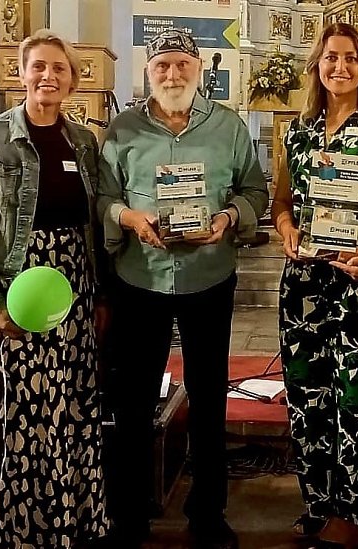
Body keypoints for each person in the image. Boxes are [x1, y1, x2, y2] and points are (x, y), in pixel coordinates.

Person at [96, 29, 268, 549]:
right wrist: (130, 216)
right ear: (147, 71)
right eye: (162, 66)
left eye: (181, 66)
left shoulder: (228, 126)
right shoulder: (121, 129)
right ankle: (129, 516)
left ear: (198, 70)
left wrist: (227, 218)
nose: (172, 75)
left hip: (208, 276)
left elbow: (254, 189)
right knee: (133, 400)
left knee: (210, 396)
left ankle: (208, 512)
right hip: (139, 278)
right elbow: (104, 196)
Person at [0, 29, 109, 548]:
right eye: (38, 67)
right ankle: (30, 527)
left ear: (73, 78)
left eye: (59, 68)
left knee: (75, 402)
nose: (49, 76)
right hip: (20, 284)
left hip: (76, 284)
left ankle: (76, 517)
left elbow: (91, 221)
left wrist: (99, 295)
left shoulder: (82, 141)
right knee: (29, 406)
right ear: (20, 74)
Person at [271, 22, 358, 549]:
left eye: (351, 58)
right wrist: (286, 233)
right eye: (331, 57)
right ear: (316, 65)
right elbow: (282, 204)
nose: (340, 67)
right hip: (305, 281)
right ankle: (318, 503)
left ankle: (357, 514)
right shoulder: (299, 131)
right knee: (309, 395)